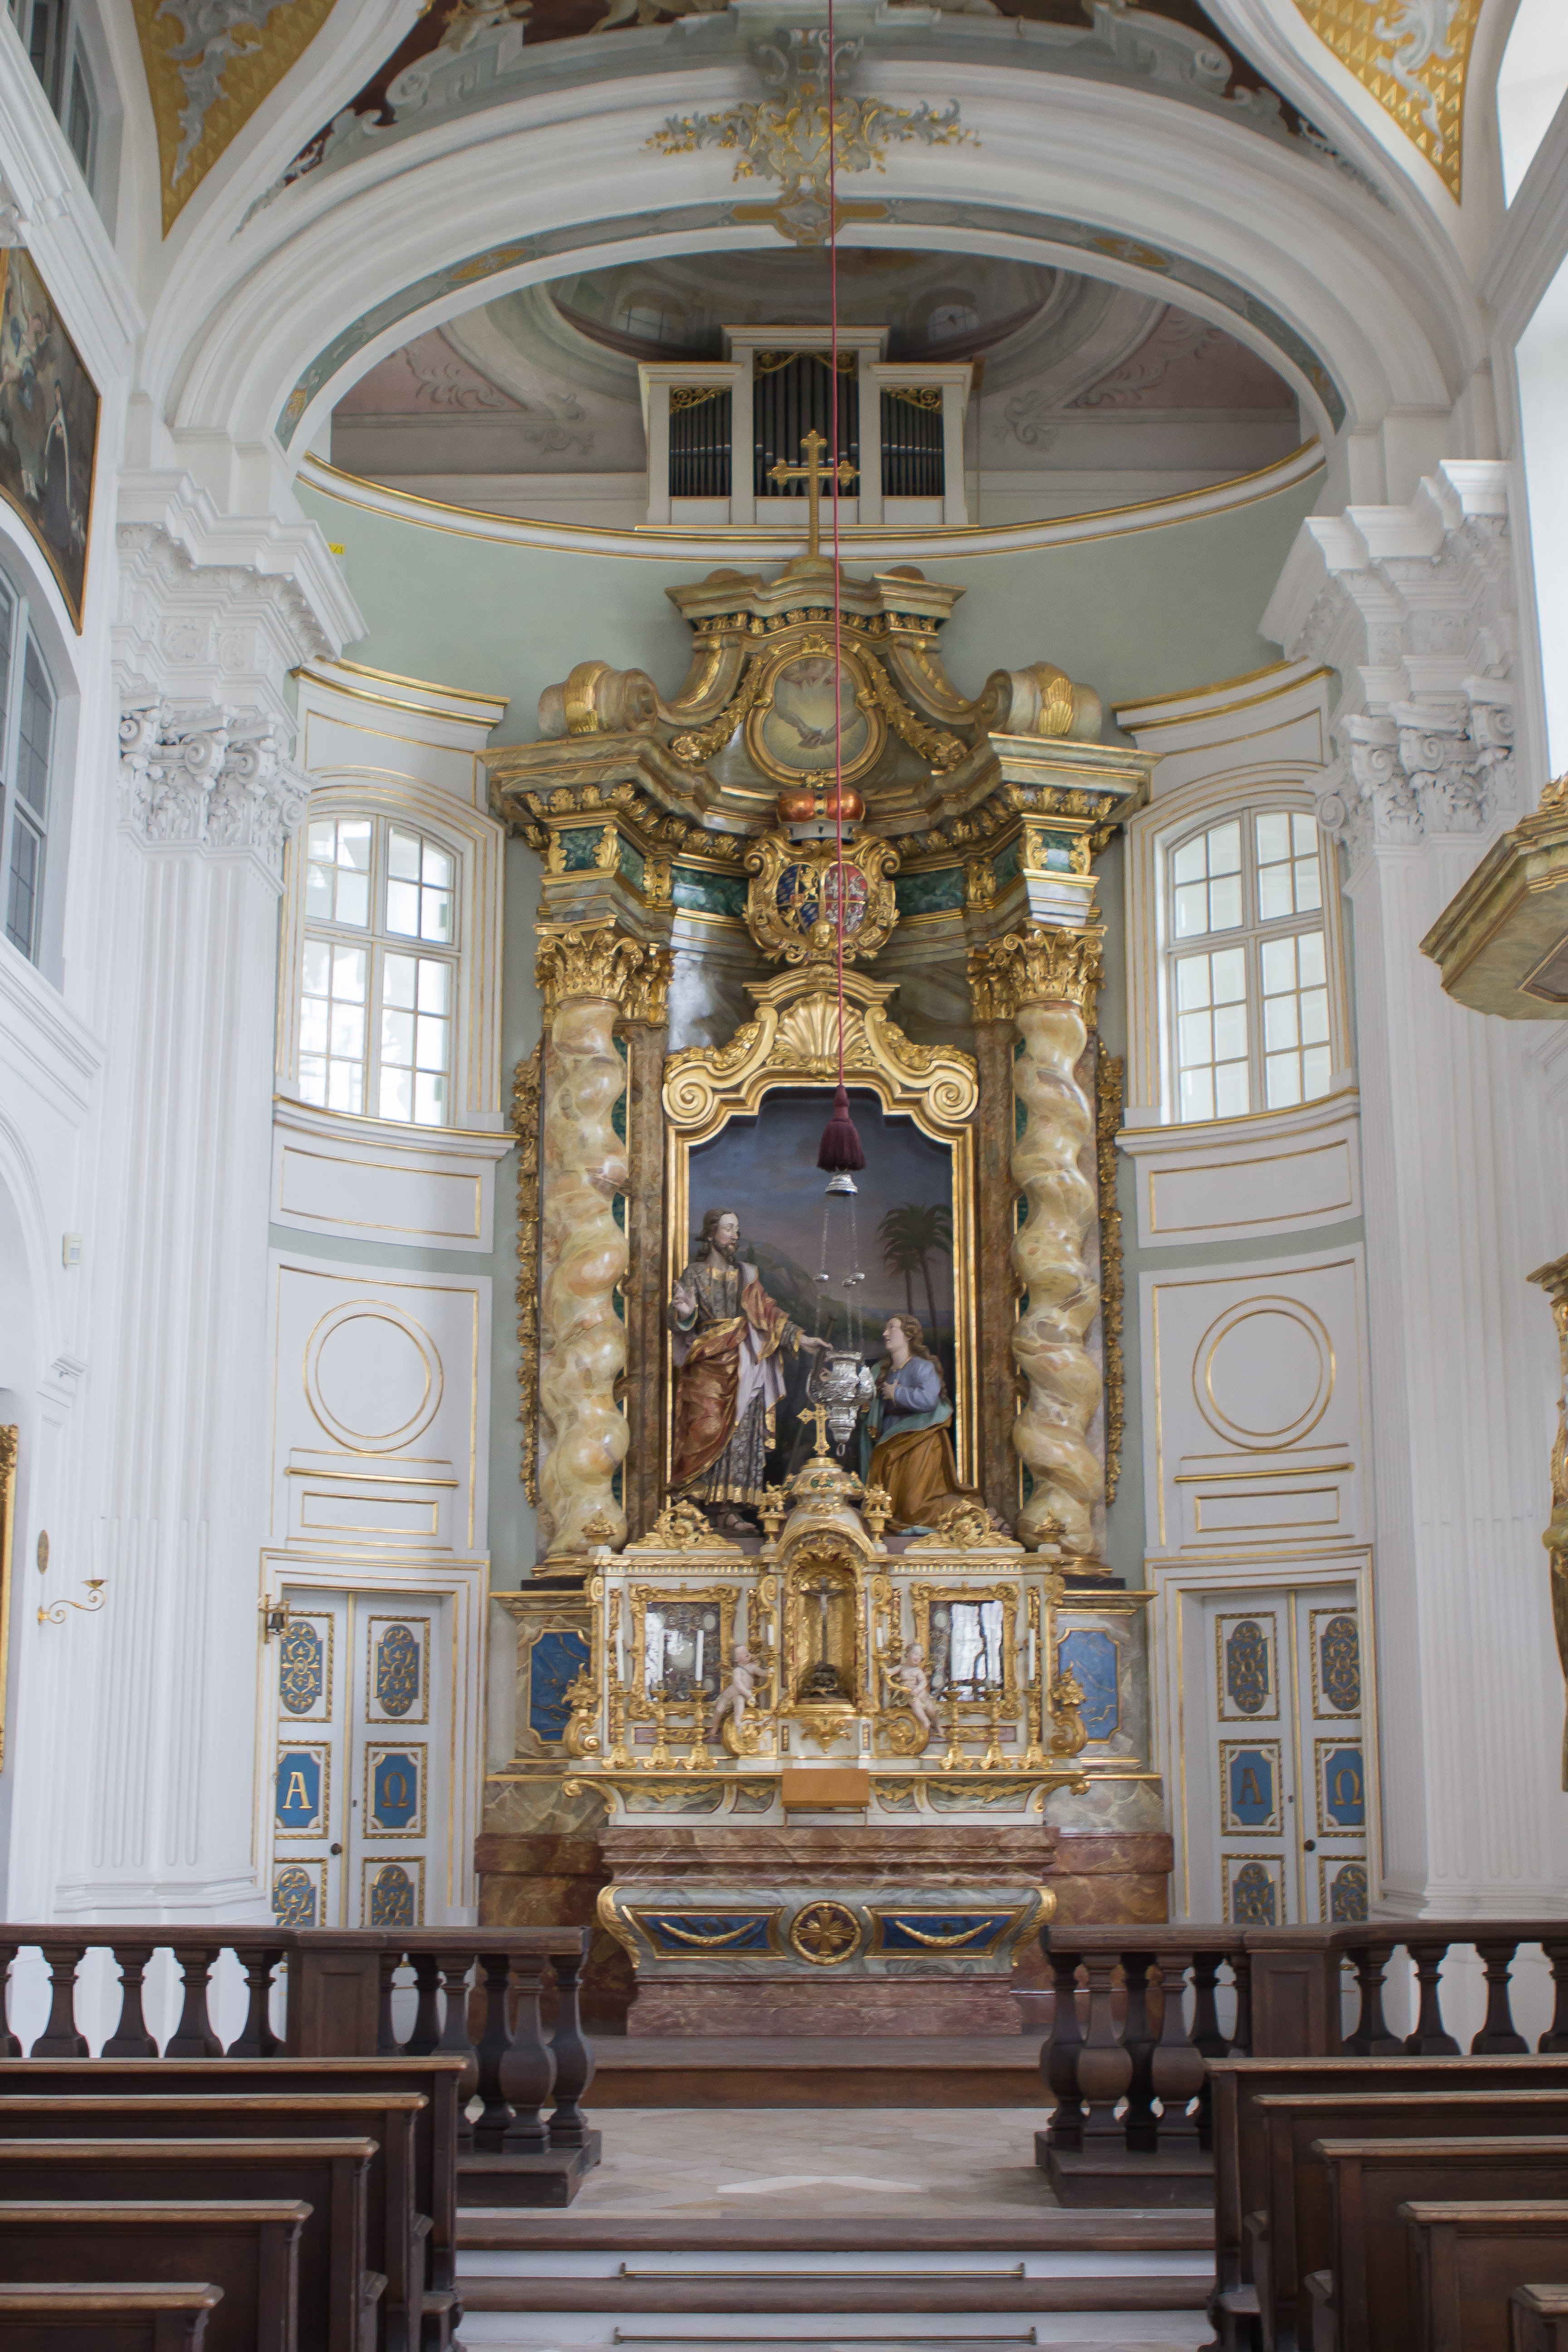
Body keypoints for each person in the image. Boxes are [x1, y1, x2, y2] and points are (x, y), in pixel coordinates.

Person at [669, 1207, 829, 1533]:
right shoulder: (695, 1274)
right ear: (711, 1234)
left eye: (737, 1230)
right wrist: (684, 1312)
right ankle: (696, 1508)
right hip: (709, 1363)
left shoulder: (747, 1275)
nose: (735, 1237)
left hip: (745, 1363)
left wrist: (801, 1338)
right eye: (728, 1229)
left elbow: (769, 1314)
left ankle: (728, 1510)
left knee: (741, 1433)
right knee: (705, 1427)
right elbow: (682, 1322)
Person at [860, 1313, 978, 1531]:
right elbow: (864, 1398)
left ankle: (970, 1514)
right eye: (886, 1329)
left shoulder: (922, 1367)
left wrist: (898, 1393)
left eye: (892, 1328)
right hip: (890, 1440)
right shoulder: (879, 1371)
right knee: (893, 1504)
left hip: (920, 1440)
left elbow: (929, 1400)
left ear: (908, 1336)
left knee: (915, 1507)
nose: (885, 1334)